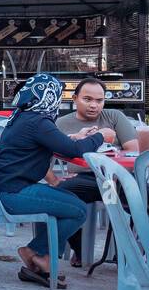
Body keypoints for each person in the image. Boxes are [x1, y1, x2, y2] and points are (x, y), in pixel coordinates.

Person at [0, 73, 106, 289]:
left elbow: (57, 142)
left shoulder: (24, 115)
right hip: (11, 194)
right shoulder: (39, 121)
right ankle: (35, 252)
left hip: (0, 189)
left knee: (66, 199)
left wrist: (76, 136)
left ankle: (42, 258)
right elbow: (74, 151)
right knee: (78, 209)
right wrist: (101, 136)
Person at [52, 77, 139, 267]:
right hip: (83, 178)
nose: (94, 105)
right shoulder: (61, 123)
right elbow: (46, 158)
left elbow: (133, 151)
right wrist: (54, 180)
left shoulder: (114, 117)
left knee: (131, 201)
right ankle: (80, 250)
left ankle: (127, 253)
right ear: (75, 99)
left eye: (99, 100)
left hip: (114, 180)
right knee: (58, 196)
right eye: (87, 99)